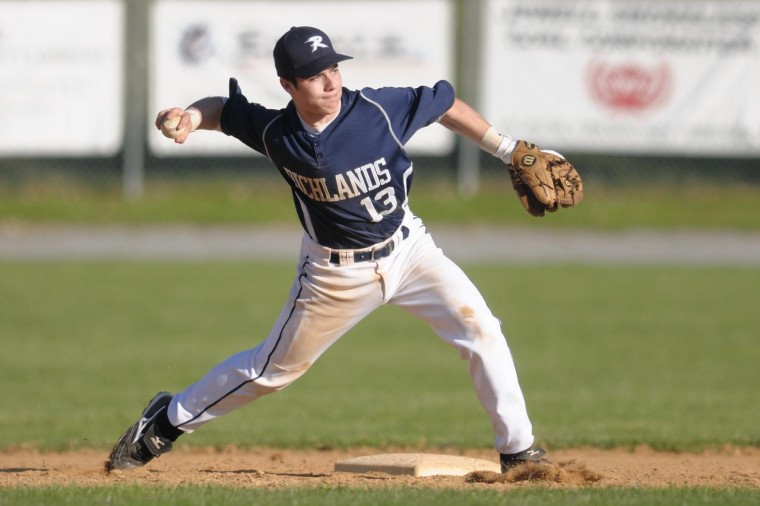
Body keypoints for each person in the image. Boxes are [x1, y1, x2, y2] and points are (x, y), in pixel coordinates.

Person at [107, 26, 553, 473]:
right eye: (315, 75)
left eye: (334, 68)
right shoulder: (277, 134)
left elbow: (444, 103)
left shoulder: (377, 109)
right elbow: (224, 111)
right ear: (288, 86)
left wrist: (509, 150)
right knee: (271, 372)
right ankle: (166, 420)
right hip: (334, 276)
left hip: (410, 250)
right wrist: (189, 116)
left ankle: (519, 452)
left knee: (481, 329)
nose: (331, 81)